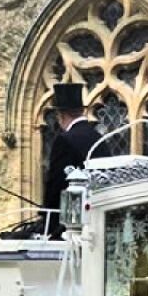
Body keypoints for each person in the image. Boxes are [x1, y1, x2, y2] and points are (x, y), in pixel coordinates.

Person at [39, 83, 110, 239]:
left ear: (60, 115)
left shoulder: (64, 140)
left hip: (70, 225)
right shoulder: (99, 138)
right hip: (99, 219)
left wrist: (45, 216)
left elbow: (56, 184)